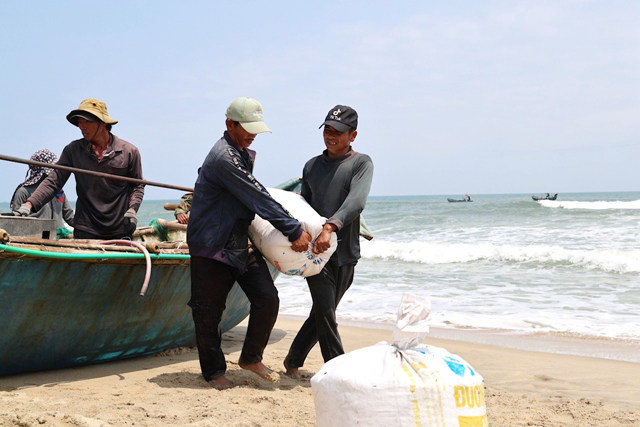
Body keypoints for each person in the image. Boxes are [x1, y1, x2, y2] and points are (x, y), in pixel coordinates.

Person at [186, 97, 312, 390]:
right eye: (247, 128)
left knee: (267, 298)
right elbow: (257, 196)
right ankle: (215, 372)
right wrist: (293, 229)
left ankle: (250, 357)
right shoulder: (224, 157)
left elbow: (253, 196)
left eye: (257, 128)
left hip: (237, 241)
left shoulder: (239, 152)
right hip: (212, 244)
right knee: (208, 312)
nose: (253, 134)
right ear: (230, 124)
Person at [284, 105, 374, 379]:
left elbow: (356, 202)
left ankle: (293, 360)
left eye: (338, 131)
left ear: (353, 135)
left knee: (324, 312)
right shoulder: (311, 166)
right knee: (325, 312)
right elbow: (304, 207)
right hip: (316, 253)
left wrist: (330, 226)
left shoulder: (361, 164)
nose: (330, 135)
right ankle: (338, 371)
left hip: (345, 252)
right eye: (327, 129)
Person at [15, 98, 145, 240]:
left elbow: (137, 185)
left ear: (103, 123)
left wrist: (132, 210)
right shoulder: (73, 150)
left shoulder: (129, 152)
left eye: (87, 122)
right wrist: (29, 204)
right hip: (86, 229)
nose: (82, 127)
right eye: (79, 122)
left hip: (119, 230)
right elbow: (54, 181)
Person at [10, 149, 75, 237]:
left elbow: (70, 217)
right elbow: (16, 222)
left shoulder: (59, 193)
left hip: (59, 240)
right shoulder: (24, 192)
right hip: (34, 240)